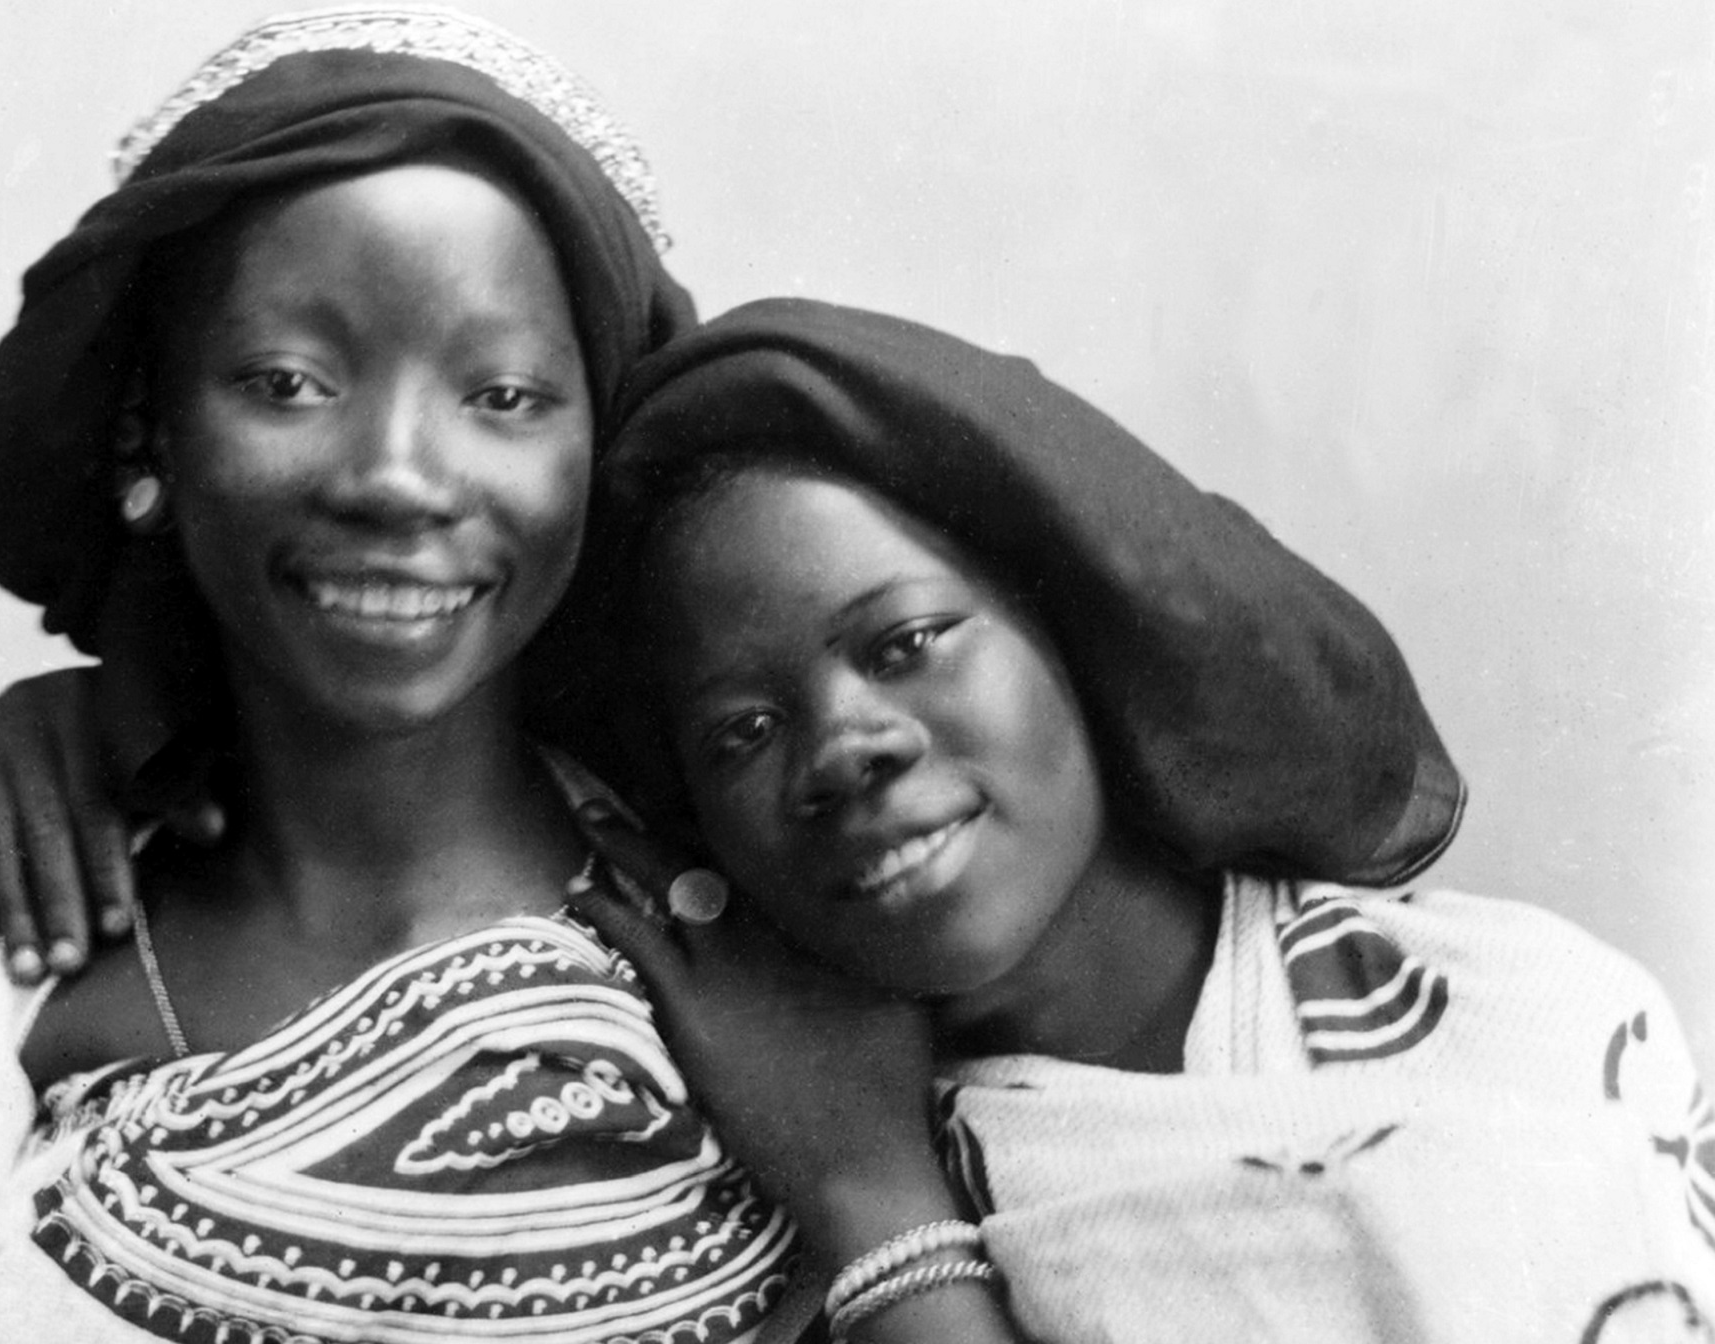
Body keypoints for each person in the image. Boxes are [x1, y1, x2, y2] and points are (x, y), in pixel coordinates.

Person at [0, 10, 810, 1341]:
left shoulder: (751, 912)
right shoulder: (11, 949)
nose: (399, 476)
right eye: (290, 382)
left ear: (600, 449)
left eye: (507, 396)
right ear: (149, 434)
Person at [564, 297, 1715, 1342]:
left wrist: (876, 1210)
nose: (840, 749)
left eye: (905, 643)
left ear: (1066, 622)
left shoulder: (1519, 1014)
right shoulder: (759, 1185)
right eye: (741, 733)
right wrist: (866, 1199)